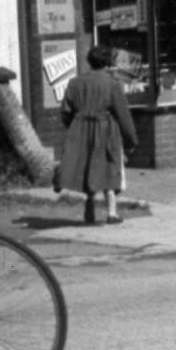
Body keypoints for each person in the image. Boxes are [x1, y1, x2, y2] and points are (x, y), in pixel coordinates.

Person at [55, 44, 138, 224]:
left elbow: (65, 111)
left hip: (81, 130)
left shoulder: (74, 83)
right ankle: (111, 212)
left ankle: (89, 208)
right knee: (109, 167)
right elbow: (123, 115)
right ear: (108, 63)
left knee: (87, 166)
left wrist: (75, 127)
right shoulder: (113, 84)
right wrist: (131, 140)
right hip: (106, 130)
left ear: (89, 62)